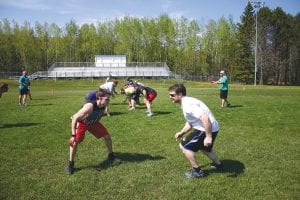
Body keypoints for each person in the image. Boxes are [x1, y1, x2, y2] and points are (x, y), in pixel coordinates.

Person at [168, 83, 223, 179]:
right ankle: (218, 165)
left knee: (184, 147)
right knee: (206, 149)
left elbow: (205, 118)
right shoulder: (187, 102)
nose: (170, 97)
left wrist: (208, 136)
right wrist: (182, 132)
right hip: (211, 127)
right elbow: (191, 121)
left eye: (172, 95)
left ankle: (197, 172)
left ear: (180, 94)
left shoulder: (187, 105)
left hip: (205, 129)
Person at [65, 89, 118, 175]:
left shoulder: (103, 105)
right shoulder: (89, 107)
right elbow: (75, 118)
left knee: (107, 136)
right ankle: (70, 165)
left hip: (93, 123)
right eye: (107, 99)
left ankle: (111, 155)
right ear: (100, 98)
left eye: (109, 99)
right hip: (82, 124)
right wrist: (73, 135)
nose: (108, 101)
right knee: (74, 142)